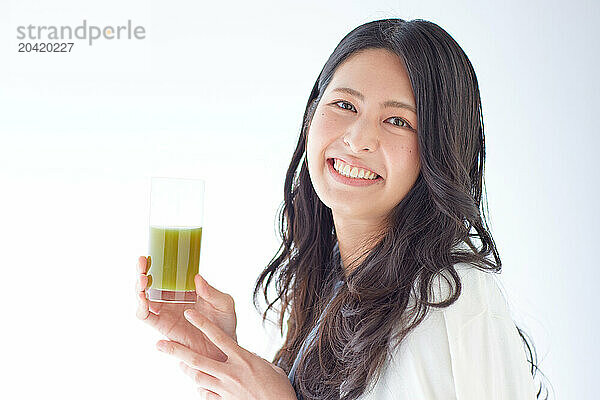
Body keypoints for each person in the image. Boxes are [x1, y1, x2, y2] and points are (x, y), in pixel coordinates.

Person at [136, 18, 549, 400]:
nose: (358, 138)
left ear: (437, 149)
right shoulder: (330, 291)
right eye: (345, 106)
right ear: (311, 117)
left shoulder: (449, 294)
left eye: (398, 121)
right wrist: (224, 360)